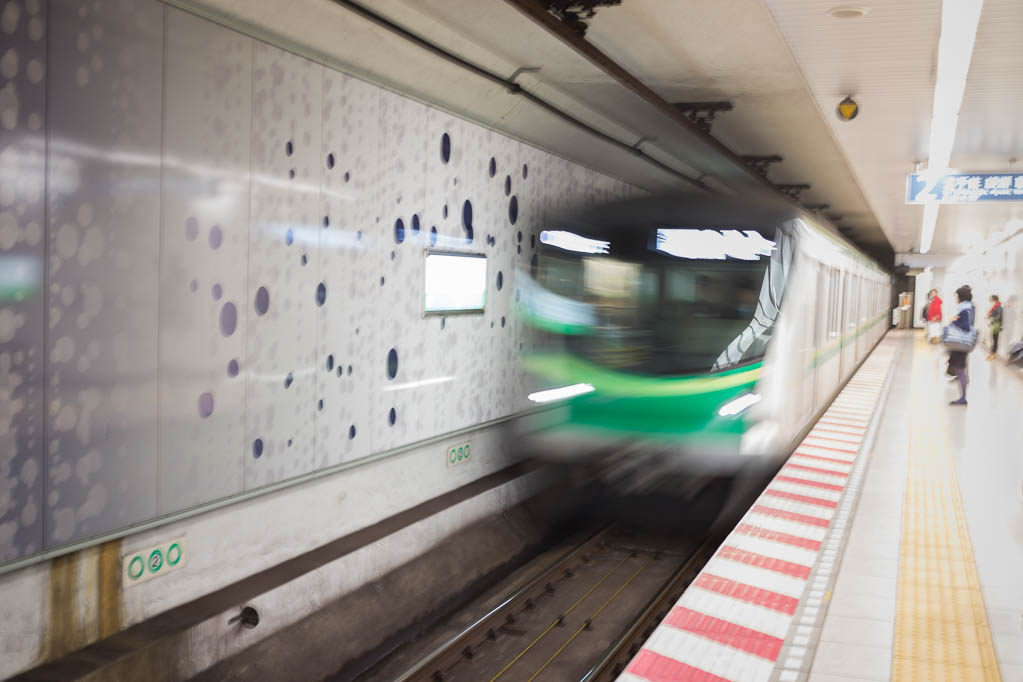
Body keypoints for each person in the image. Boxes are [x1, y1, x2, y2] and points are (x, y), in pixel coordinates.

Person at [947, 285, 975, 405]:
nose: (956, 298)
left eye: (957, 296)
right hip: (963, 343)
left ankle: (963, 398)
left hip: (960, 343)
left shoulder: (964, 309)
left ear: (960, 297)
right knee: (959, 370)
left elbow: (965, 326)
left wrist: (954, 321)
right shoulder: (970, 307)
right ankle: (962, 397)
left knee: (960, 370)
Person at [986, 294, 1002, 360]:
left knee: (995, 340)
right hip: (994, 324)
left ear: (994, 299)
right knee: (993, 339)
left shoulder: (998, 307)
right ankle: (992, 353)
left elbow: (999, 316)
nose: (990, 301)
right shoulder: (995, 307)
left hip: (997, 325)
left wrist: (991, 317)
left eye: (991, 299)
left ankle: (993, 354)